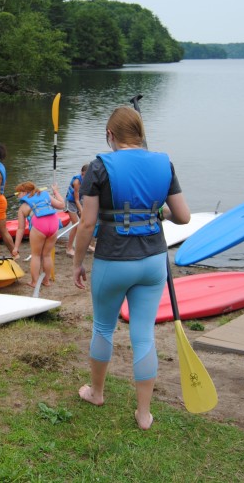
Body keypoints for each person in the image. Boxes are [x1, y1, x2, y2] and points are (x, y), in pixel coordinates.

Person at [72, 107, 190, 431]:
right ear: (140, 134)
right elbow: (183, 216)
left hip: (113, 261)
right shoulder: (164, 163)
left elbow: (87, 223)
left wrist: (78, 262)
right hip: (154, 262)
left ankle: (96, 392)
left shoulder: (99, 166)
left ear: (110, 135)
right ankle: (144, 414)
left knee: (103, 328)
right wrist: (152, 213)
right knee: (143, 335)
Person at [12, 182, 65, 287]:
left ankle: (34, 282)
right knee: (47, 254)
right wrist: (56, 192)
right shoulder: (45, 195)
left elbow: (21, 229)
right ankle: (46, 281)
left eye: (19, 193)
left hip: (39, 225)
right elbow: (62, 205)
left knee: (36, 255)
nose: (17, 195)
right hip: (54, 223)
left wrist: (16, 247)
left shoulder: (23, 207)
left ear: (25, 192)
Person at [65, 165, 87, 256]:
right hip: (71, 203)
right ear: (81, 173)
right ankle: (69, 248)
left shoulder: (89, 180)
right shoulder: (77, 182)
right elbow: (76, 200)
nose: (84, 177)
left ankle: (87, 245)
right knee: (75, 225)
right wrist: (82, 211)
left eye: (86, 175)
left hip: (79, 201)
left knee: (86, 223)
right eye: (83, 175)